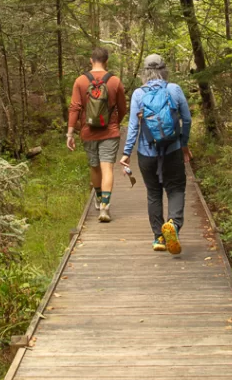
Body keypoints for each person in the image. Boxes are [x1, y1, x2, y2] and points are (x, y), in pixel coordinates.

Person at [120, 54, 192, 254]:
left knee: (153, 193)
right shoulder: (174, 89)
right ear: (164, 69)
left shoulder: (138, 94)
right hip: (172, 150)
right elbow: (186, 120)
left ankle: (159, 238)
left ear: (145, 72)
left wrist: (126, 153)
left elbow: (133, 127)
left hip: (146, 153)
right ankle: (174, 225)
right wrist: (184, 144)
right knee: (176, 189)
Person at [67, 47, 127, 222]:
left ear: (91, 60)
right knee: (107, 167)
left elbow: (75, 108)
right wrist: (115, 122)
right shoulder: (115, 81)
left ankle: (99, 198)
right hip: (110, 131)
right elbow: (123, 108)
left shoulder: (80, 81)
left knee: (94, 167)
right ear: (106, 61)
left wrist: (70, 133)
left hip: (88, 130)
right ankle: (105, 208)